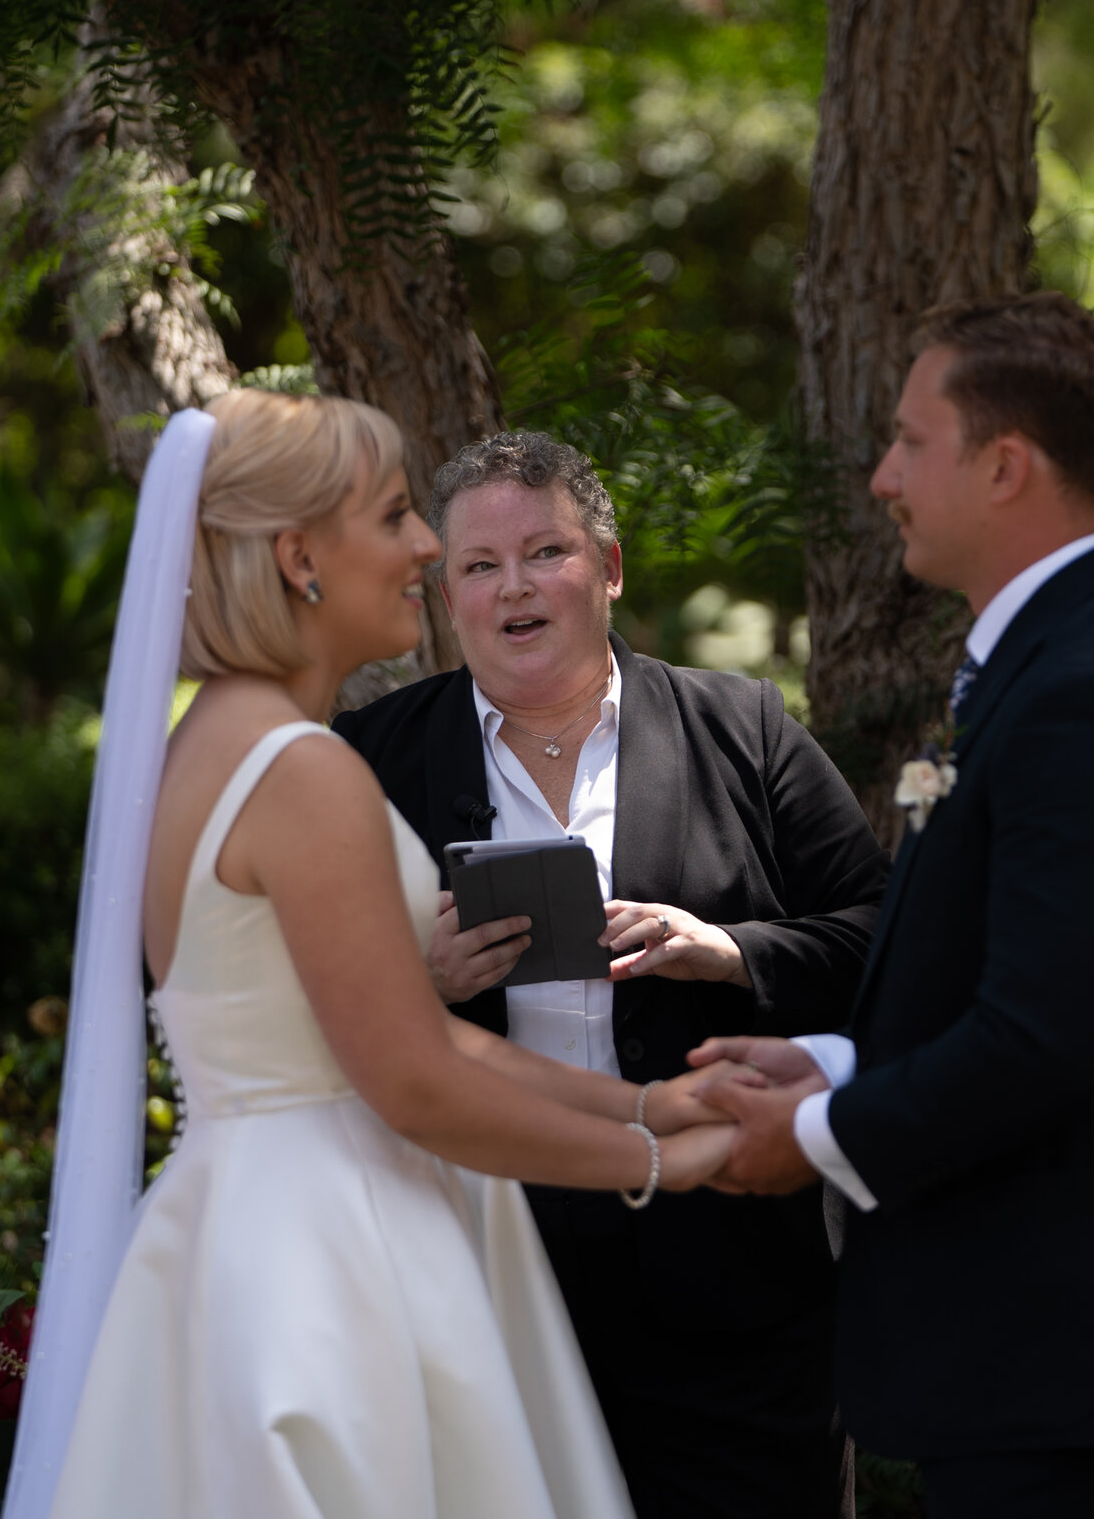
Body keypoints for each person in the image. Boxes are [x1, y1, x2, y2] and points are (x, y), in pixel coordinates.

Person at [16, 390, 736, 1519]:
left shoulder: (206, 741)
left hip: (235, 1229)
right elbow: (411, 1077)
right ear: (300, 555)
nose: (425, 546)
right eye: (397, 513)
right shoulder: (299, 769)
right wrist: (660, 1161)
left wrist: (650, 1107)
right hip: (325, 1256)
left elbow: (418, 1039)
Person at [693, 294, 1094, 1519]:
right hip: (1031, 1349)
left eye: (909, 440)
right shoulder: (1059, 658)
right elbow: (1016, 980)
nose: (885, 476)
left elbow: (1045, 1039)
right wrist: (828, 1061)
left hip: (1061, 1348)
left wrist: (808, 1139)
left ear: (1004, 466)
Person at [334, 431, 888, 1519]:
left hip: (731, 1268)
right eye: (480, 566)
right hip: (483, 1269)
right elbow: (311, 999)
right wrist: (424, 977)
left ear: (611, 567)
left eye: (545, 552)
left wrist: (729, 952)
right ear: (447, 594)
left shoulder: (743, 727)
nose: (514, 588)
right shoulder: (369, 758)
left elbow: (886, 932)